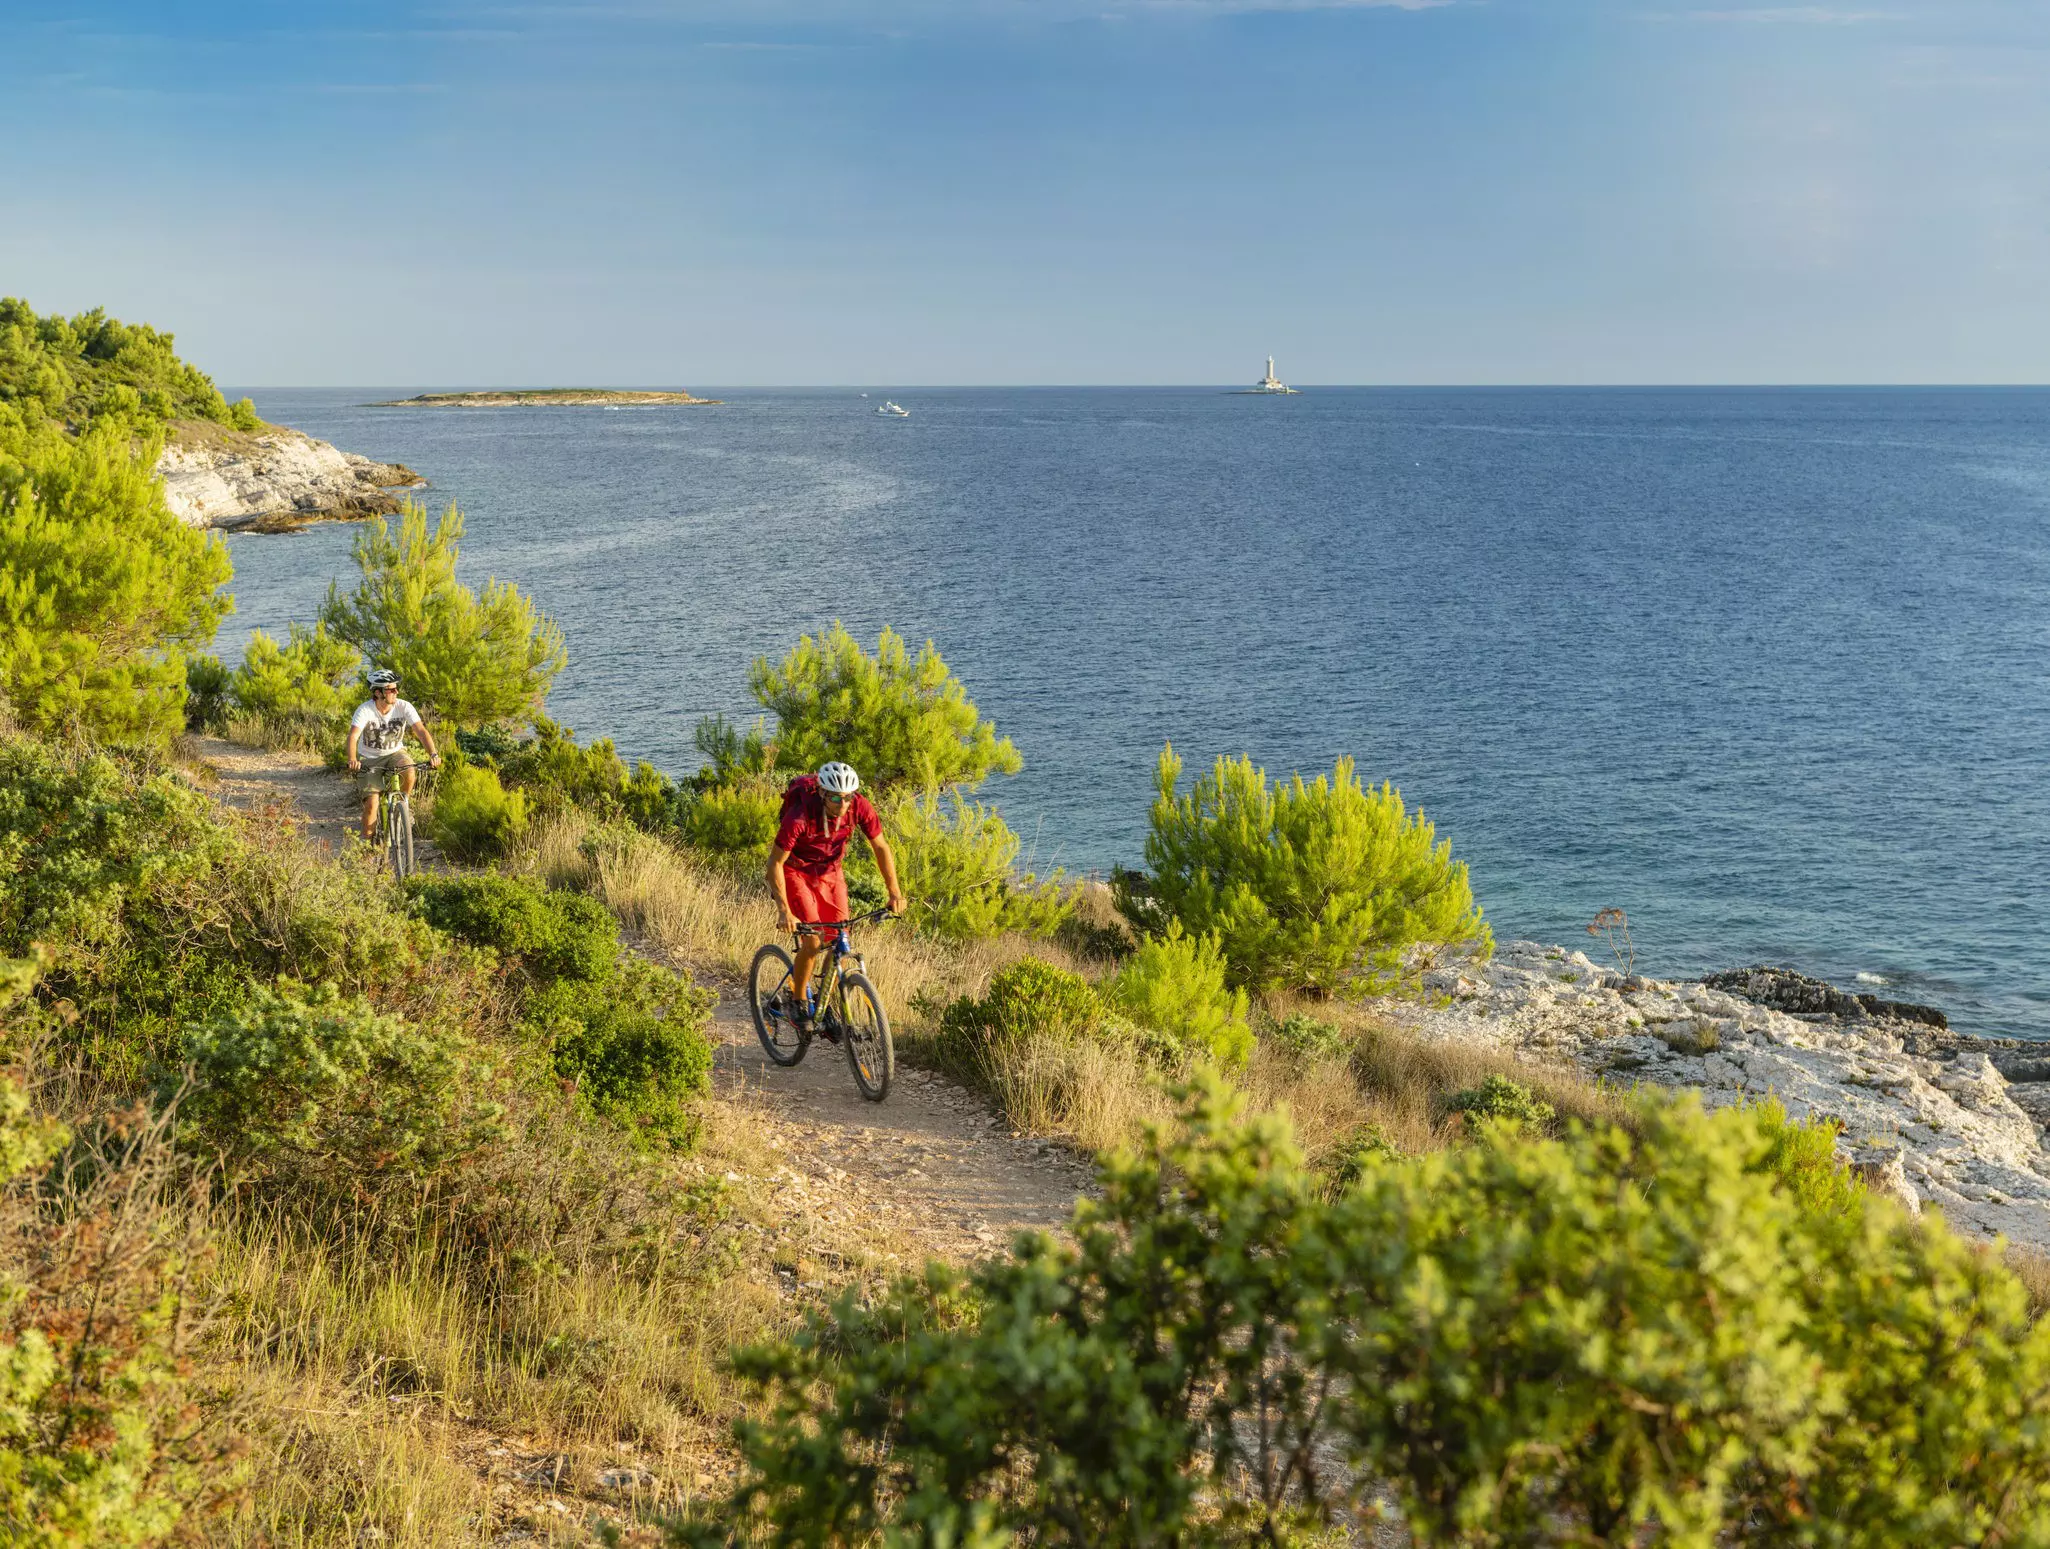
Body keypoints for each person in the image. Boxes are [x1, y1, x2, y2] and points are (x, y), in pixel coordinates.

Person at [766, 760, 907, 1030]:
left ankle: (824, 1002)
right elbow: (775, 863)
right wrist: (784, 910)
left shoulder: (859, 807)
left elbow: (881, 847)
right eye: (835, 798)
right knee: (813, 942)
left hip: (831, 872)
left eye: (848, 797)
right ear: (821, 793)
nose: (842, 804)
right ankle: (797, 1001)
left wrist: (895, 892)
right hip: (796, 872)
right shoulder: (799, 816)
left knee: (840, 936)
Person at [346, 670, 442, 842]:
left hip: (395, 753)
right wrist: (353, 760)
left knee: (410, 770)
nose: (396, 692)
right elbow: (353, 736)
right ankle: (366, 850)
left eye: (396, 689)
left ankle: (403, 808)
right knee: (371, 805)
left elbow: (420, 731)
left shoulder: (403, 706)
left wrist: (433, 754)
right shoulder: (365, 710)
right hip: (369, 759)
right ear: (378, 692)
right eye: (391, 690)